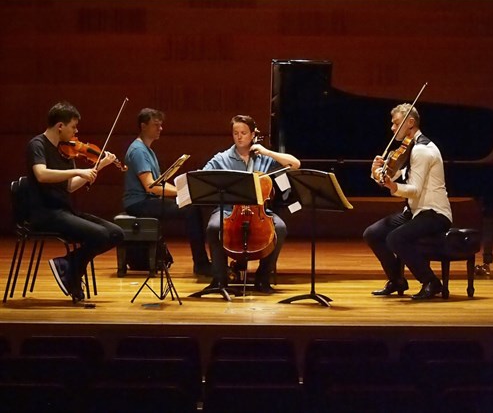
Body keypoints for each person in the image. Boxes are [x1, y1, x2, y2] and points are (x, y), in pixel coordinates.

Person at [26, 101, 125, 303]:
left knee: (116, 233)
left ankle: (68, 265)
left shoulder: (65, 151)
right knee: (98, 235)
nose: (76, 131)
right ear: (60, 126)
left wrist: (100, 166)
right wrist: (79, 170)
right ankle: (71, 271)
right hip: (44, 212)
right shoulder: (37, 144)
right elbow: (41, 174)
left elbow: (70, 186)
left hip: (64, 210)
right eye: (73, 126)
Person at [363, 103, 453, 300]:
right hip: (414, 212)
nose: (392, 128)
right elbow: (391, 177)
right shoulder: (410, 148)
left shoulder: (422, 150)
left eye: (396, 124)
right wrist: (376, 171)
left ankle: (431, 282)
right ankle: (397, 280)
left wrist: (393, 187)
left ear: (410, 122)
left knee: (395, 238)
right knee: (373, 233)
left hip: (434, 213)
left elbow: (414, 190)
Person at [203, 114, 301, 293]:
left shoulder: (264, 158)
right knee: (213, 227)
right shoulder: (221, 158)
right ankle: (219, 279)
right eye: (235, 133)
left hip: (259, 211)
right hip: (228, 210)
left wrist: (267, 152)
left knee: (280, 228)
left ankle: (263, 278)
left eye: (243, 133)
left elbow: (295, 164)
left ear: (253, 134)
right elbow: (202, 178)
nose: (239, 137)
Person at [123, 108, 212, 275]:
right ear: (143, 126)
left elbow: (160, 184)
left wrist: (184, 190)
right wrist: (183, 192)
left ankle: (203, 261)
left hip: (147, 200)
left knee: (193, 205)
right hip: (139, 203)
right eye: (156, 125)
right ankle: (200, 263)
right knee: (191, 210)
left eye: (161, 125)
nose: (160, 129)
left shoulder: (147, 149)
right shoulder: (138, 151)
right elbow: (152, 187)